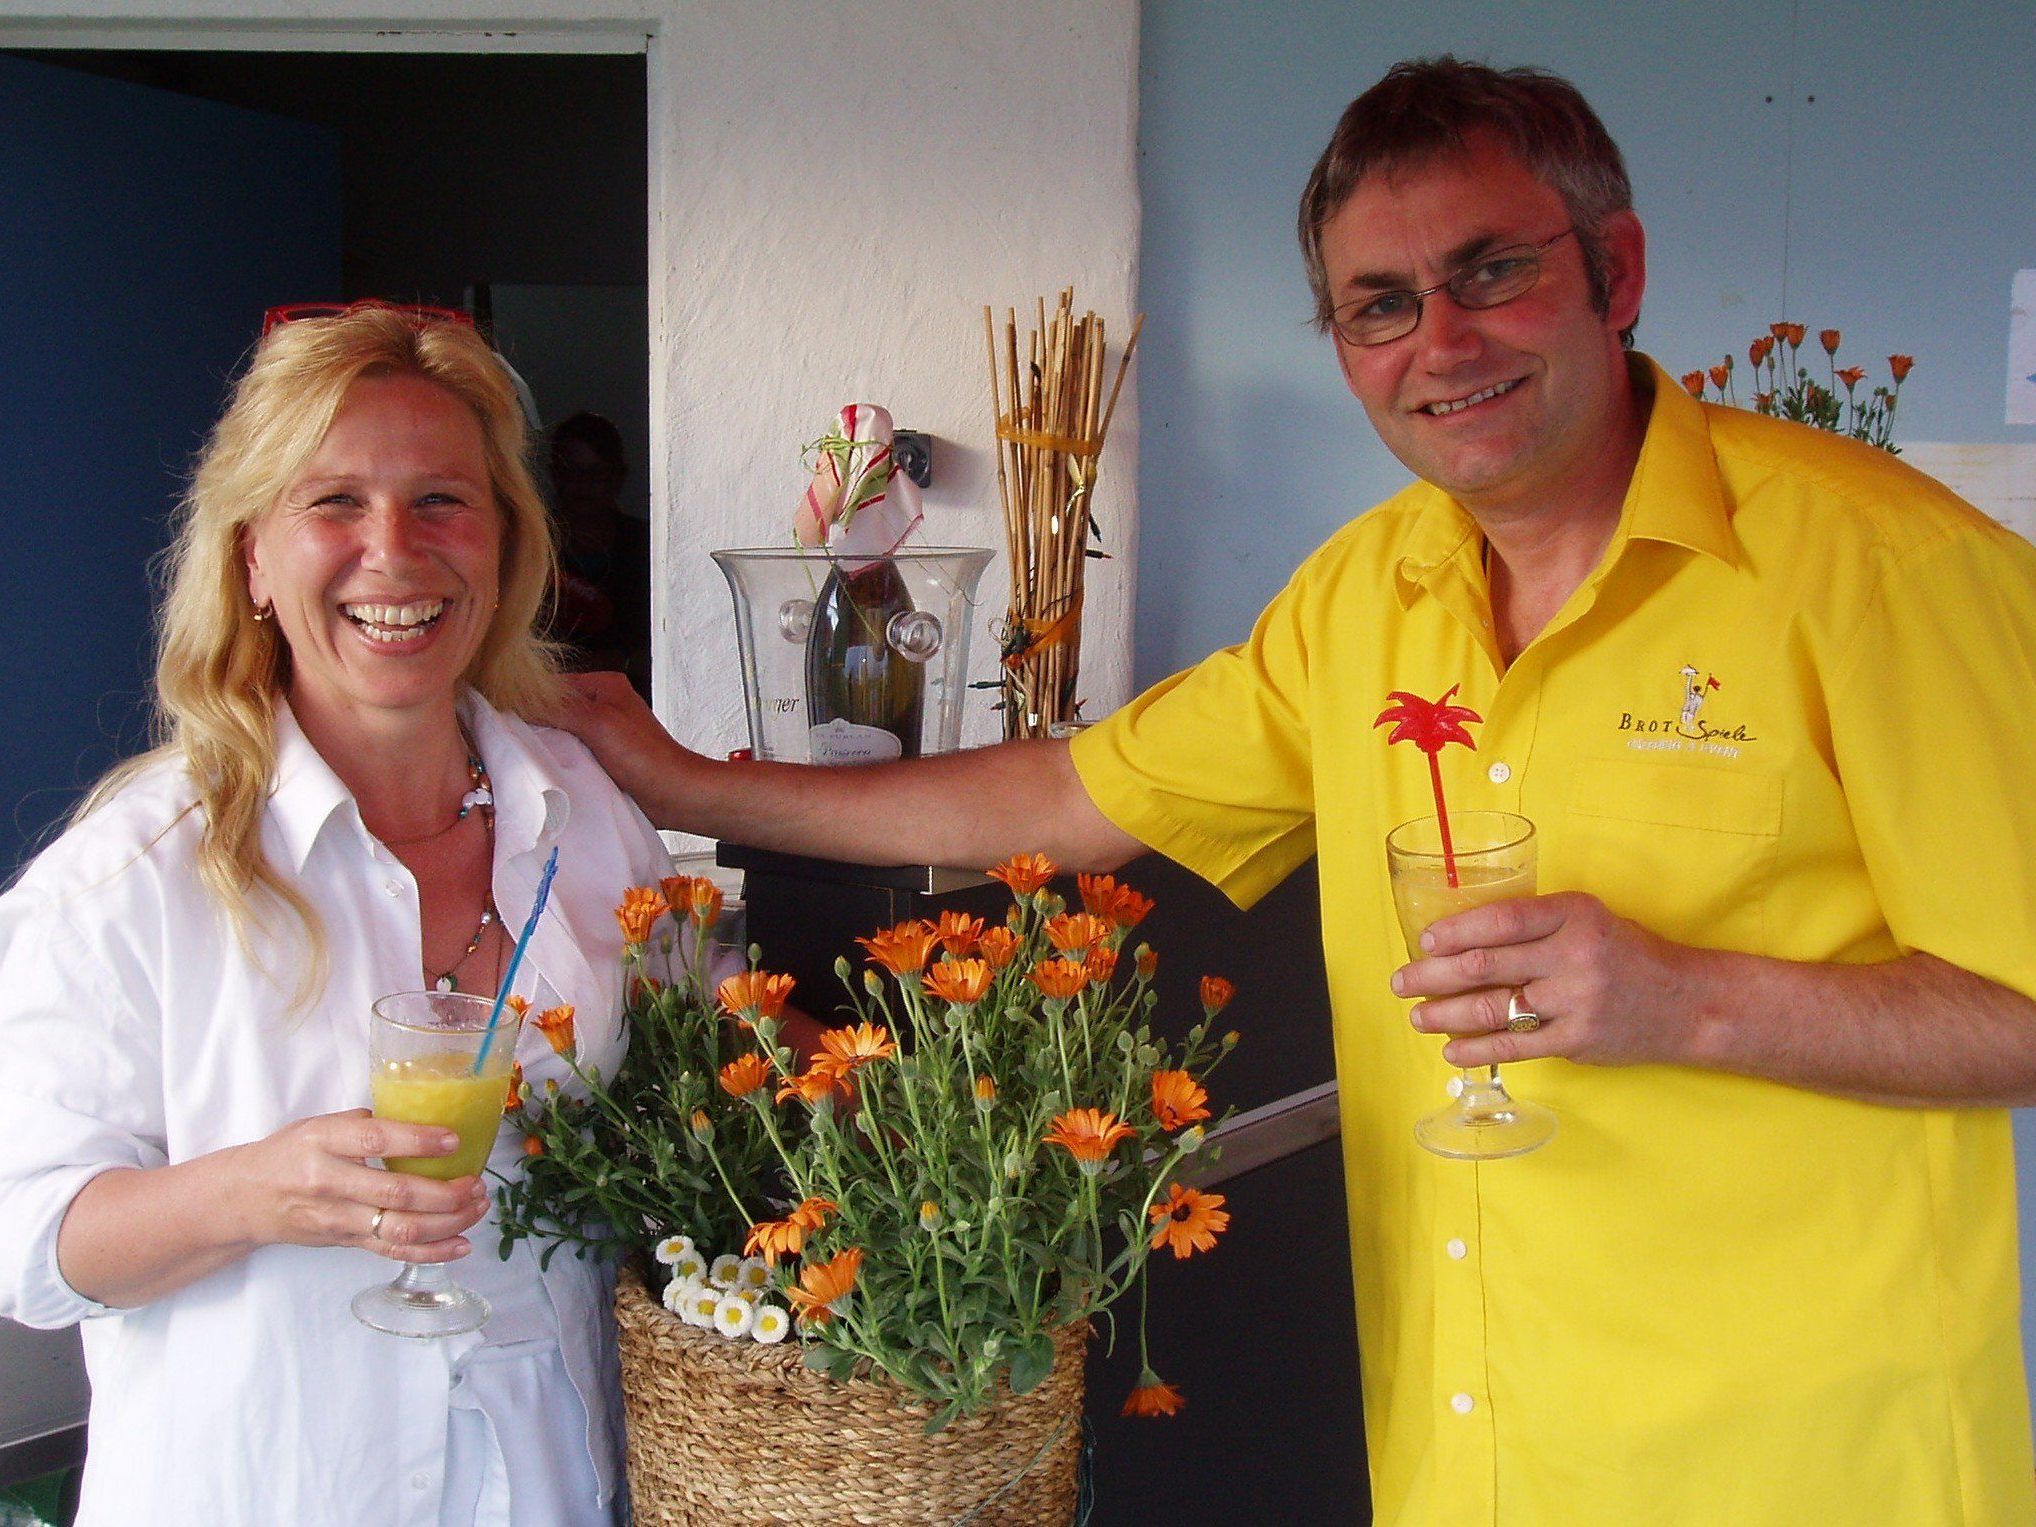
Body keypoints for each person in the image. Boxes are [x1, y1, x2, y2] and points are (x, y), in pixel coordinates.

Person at [560, 57, 2036, 1523]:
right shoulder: (1362, 596)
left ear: (1617, 268)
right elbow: (1069, 796)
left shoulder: (1889, 571)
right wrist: (686, 780)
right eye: (1380, 304)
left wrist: (1689, 1000)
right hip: (1464, 1450)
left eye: (1493, 271)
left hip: (1807, 1462)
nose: (1441, 341)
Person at [0, 301, 670, 1526]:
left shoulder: (586, 821)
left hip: (556, 1489)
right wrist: (255, 1193)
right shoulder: (126, 880)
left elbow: (677, 1120)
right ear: (252, 556)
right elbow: (34, 1250)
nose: (394, 552)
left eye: (441, 501)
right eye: (333, 504)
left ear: (508, 544)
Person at [543, 411, 651, 698]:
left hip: (636, 704)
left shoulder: (645, 547)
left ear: (618, 476)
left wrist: (621, 662)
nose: (583, 486)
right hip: (546, 701)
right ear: (555, 475)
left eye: (595, 474)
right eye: (571, 472)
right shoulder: (532, 548)